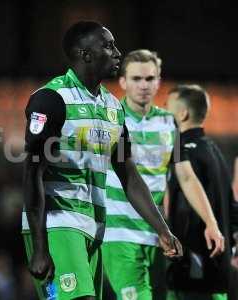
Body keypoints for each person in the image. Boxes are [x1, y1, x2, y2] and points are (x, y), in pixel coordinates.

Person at [22, 21, 182, 300]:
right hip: (58, 223)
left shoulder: (112, 106)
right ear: (86, 54)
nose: (118, 52)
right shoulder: (51, 99)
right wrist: (39, 246)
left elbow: (129, 175)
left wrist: (162, 229)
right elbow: (31, 171)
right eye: (108, 46)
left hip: (95, 227)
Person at [102, 50, 224, 300]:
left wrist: (211, 223)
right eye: (136, 79)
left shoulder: (169, 123)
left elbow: (186, 177)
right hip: (118, 232)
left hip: (160, 235)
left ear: (159, 81)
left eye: (150, 78)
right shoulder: (109, 119)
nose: (143, 85)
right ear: (123, 82)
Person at [166, 84, 238, 300]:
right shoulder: (213, 150)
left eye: (166, 107)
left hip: (194, 265)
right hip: (218, 267)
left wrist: (179, 246)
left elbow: (184, 207)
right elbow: (232, 205)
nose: (161, 112)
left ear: (182, 113)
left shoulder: (182, 152)